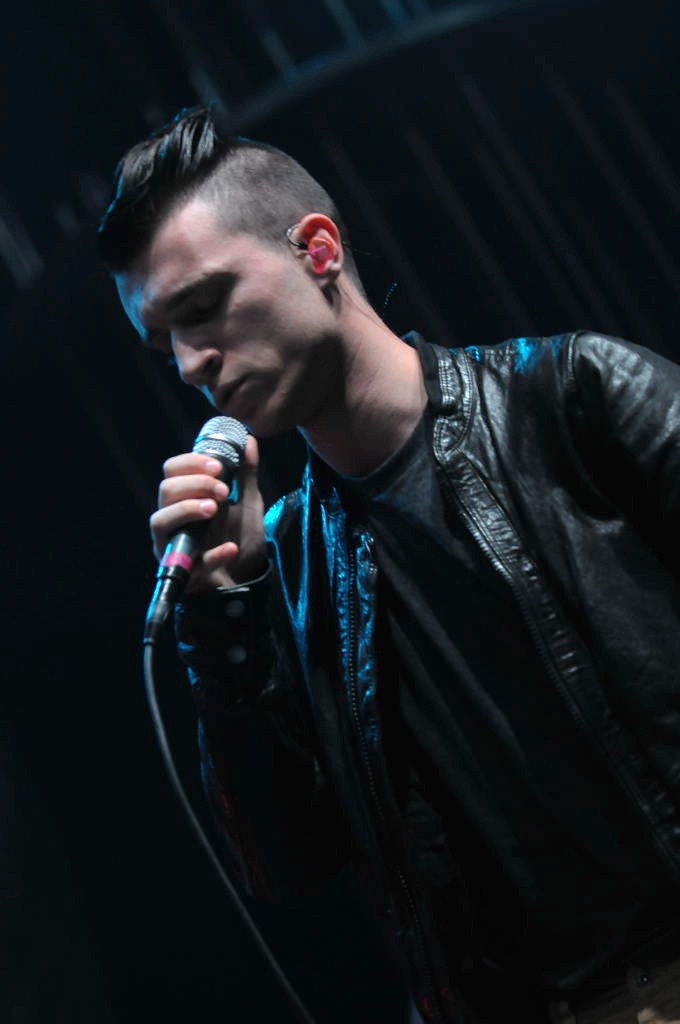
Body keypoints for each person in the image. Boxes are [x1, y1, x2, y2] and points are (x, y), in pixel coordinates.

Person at [98, 106, 680, 1024]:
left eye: (202, 308)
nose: (188, 363)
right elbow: (284, 865)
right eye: (163, 339)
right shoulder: (286, 568)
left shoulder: (573, 395)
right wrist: (223, 615)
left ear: (318, 251)